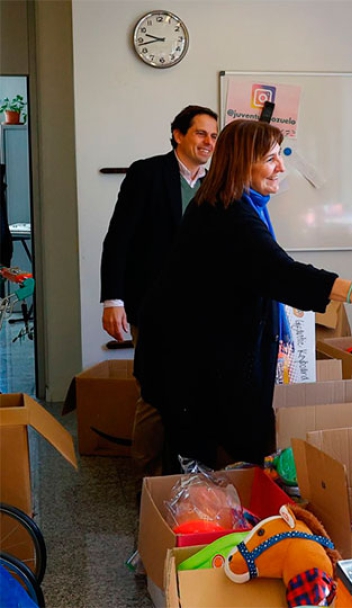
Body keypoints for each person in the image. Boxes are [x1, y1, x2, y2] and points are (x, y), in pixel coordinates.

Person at [134, 119, 352, 472]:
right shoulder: (228, 215)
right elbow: (280, 272)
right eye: (272, 158)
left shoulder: (233, 204)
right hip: (192, 360)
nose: (282, 168)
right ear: (243, 163)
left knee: (218, 449)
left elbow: (266, 272)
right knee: (203, 459)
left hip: (203, 354)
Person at [100, 104, 218, 479]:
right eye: (201, 133)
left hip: (202, 309)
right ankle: (149, 479)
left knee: (196, 389)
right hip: (152, 307)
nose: (209, 142)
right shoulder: (147, 174)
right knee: (154, 392)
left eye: (214, 136)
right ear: (178, 134)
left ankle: (189, 473)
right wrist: (113, 300)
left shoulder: (215, 183)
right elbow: (118, 239)